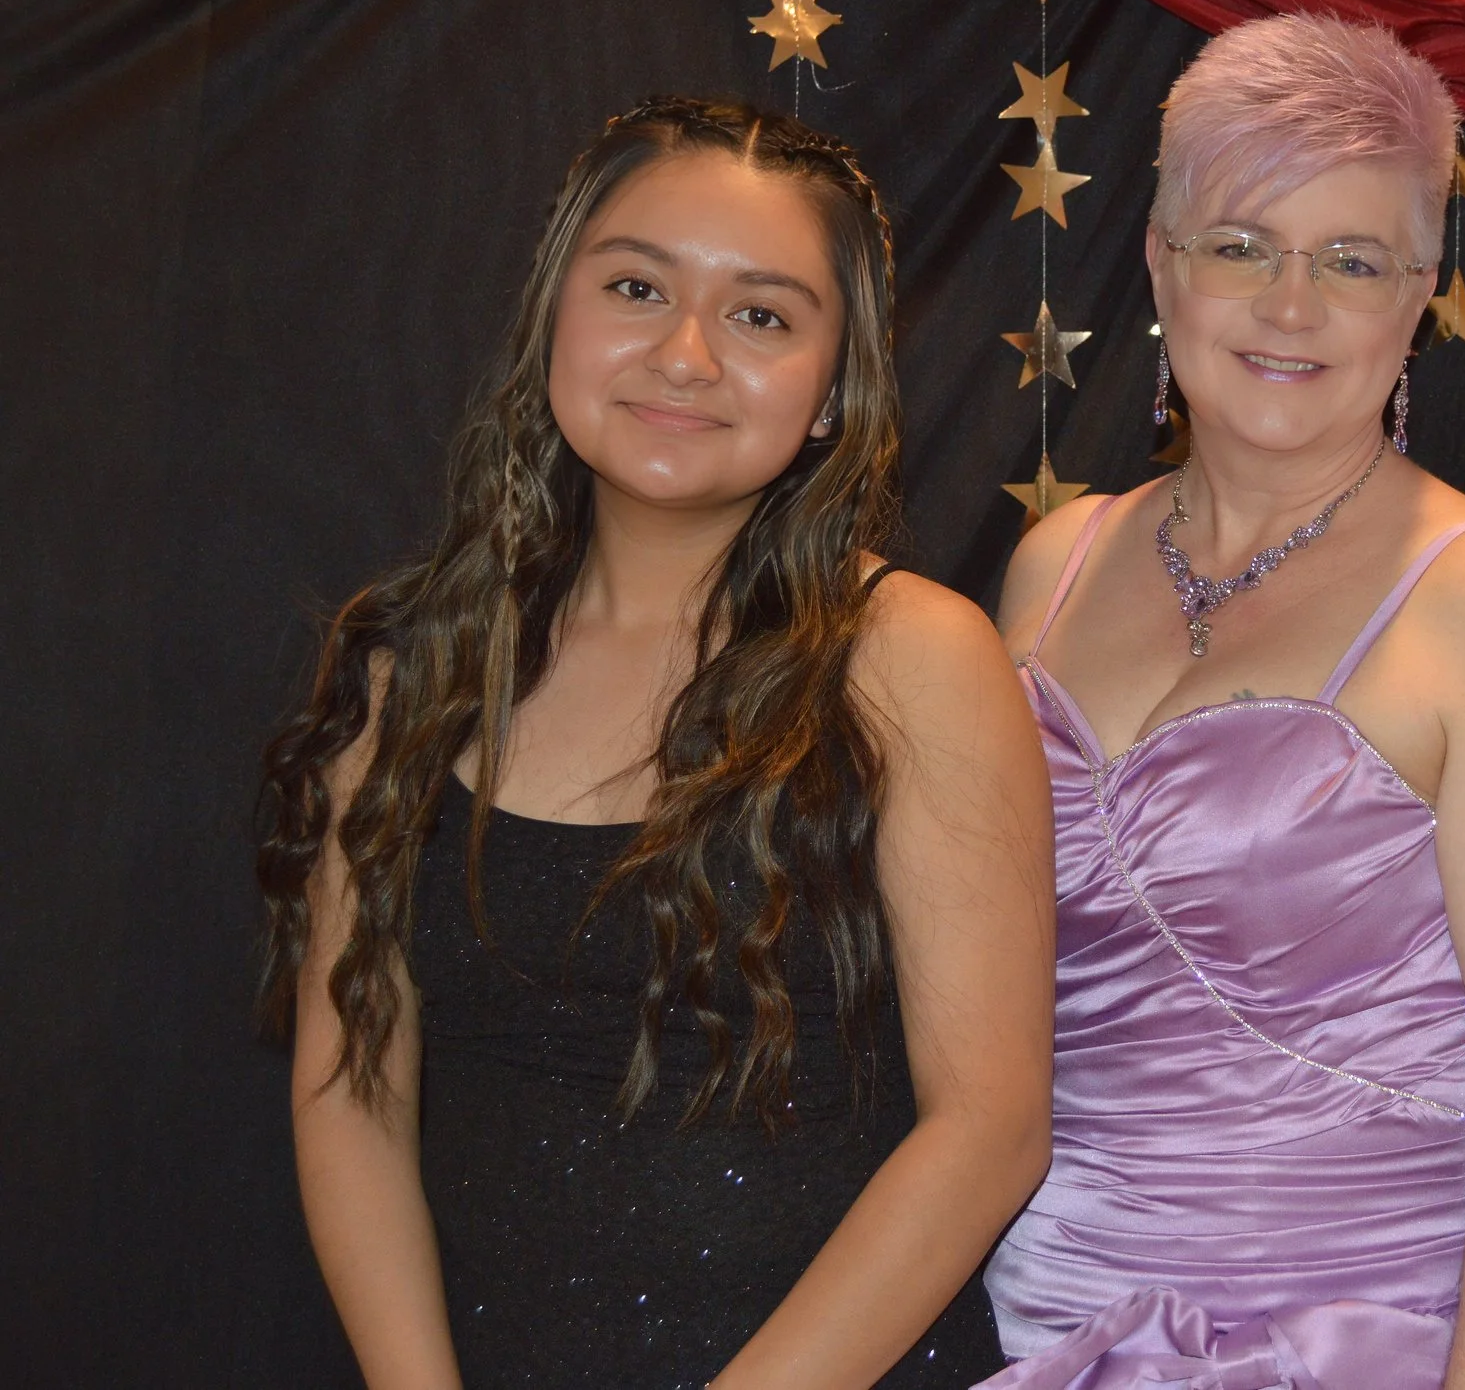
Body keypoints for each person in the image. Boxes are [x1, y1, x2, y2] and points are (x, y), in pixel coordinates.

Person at [255, 97, 1056, 1390]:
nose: (685, 354)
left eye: (761, 314)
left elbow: (991, 1127)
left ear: (830, 390)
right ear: (553, 317)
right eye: (637, 285)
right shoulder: (416, 671)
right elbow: (349, 1085)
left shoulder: (909, 654)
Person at [981, 14, 1465, 1390]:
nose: (1293, 308)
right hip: (1031, 1341)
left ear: (1418, 296)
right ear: (1162, 263)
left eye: (1352, 262)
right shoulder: (1053, 567)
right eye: (1241, 246)